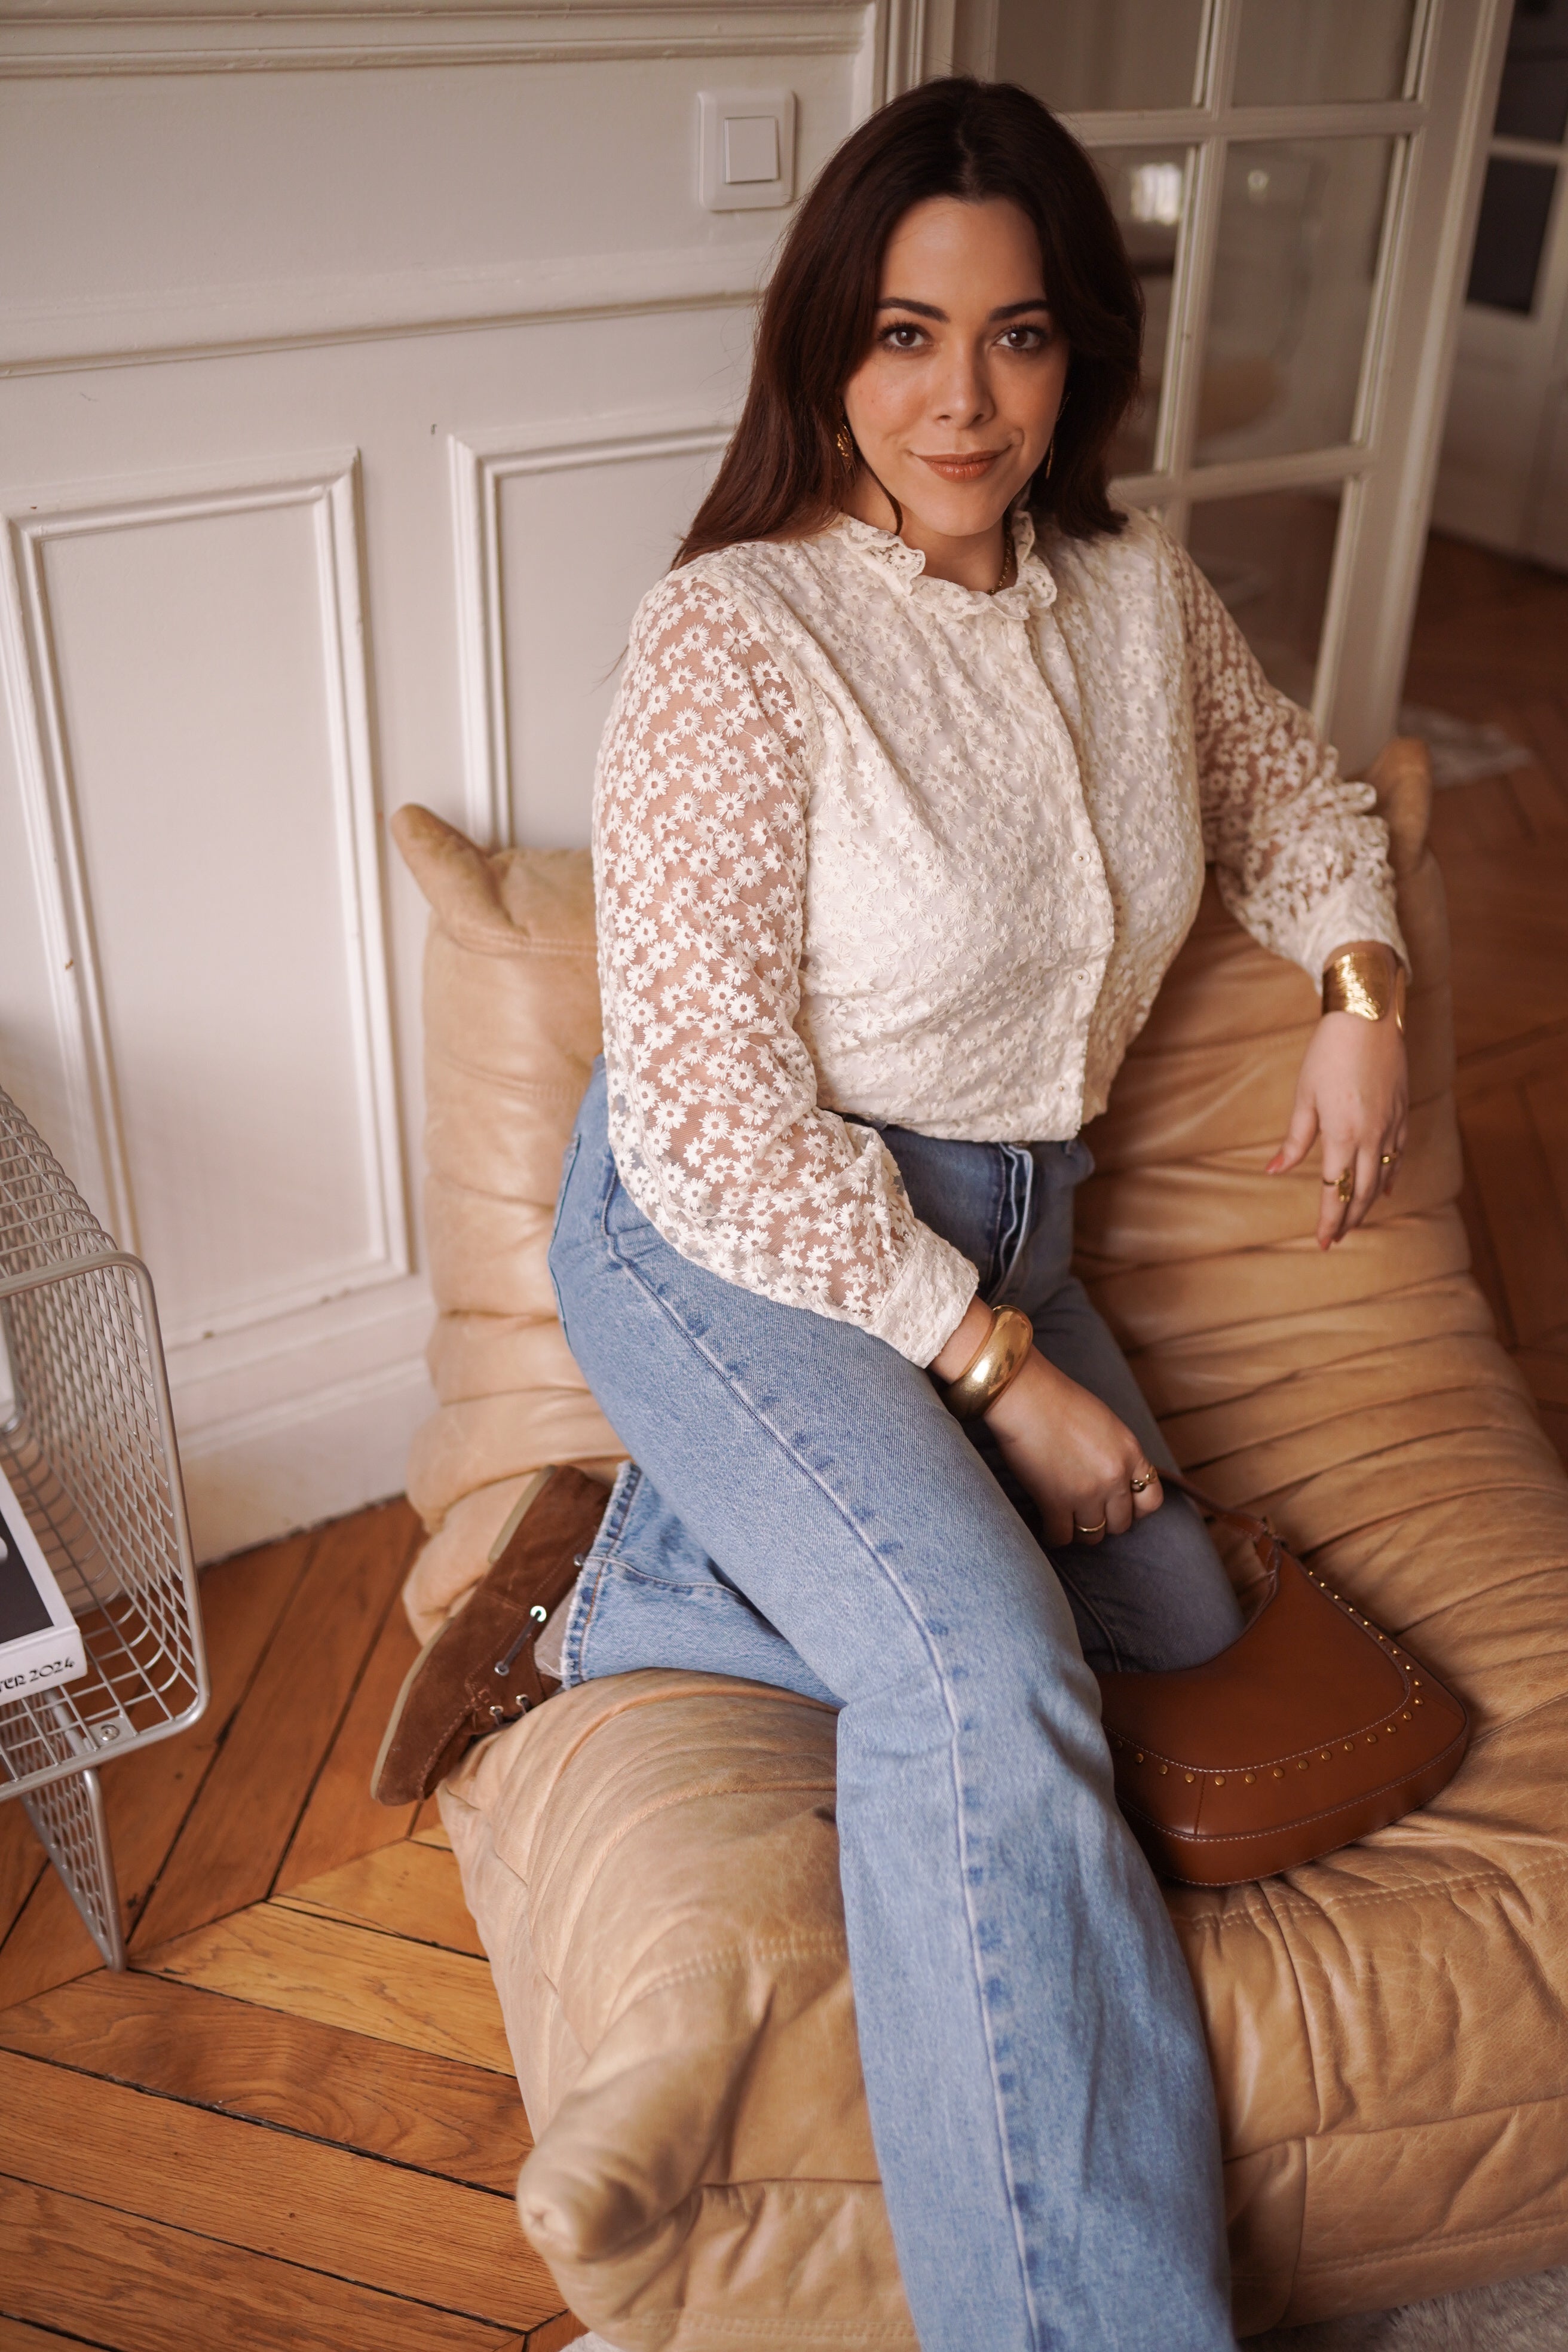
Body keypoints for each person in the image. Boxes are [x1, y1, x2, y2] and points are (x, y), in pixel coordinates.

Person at [376, 77, 1410, 2352]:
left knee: (1168, 1614)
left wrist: (1361, 986)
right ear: (826, 349)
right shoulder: (737, 636)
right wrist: (1000, 1375)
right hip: (736, 1239)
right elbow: (715, 1112)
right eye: (906, 335)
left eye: (1017, 336)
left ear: (1078, 353)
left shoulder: (1136, 601)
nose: (963, 401)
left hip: (1010, 1229)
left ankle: (629, 1583)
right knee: (988, 1679)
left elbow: (1296, 804)